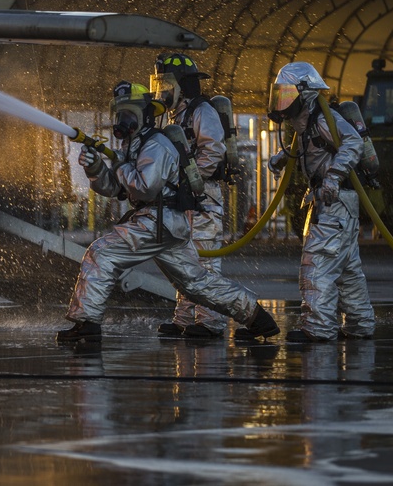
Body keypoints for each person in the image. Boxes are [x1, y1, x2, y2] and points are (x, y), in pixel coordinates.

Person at [55, 81, 279, 343]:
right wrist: (95, 169)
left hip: (157, 221)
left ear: (146, 114)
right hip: (166, 224)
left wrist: (117, 164)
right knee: (195, 283)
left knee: (100, 253)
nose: (123, 120)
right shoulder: (134, 145)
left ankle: (86, 325)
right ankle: (257, 317)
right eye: (120, 114)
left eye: (129, 113)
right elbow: (116, 189)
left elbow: (145, 187)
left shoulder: (156, 144)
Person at [259, 61, 375, 342]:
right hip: (337, 204)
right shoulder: (307, 123)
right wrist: (280, 158)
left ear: (305, 93)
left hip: (333, 201)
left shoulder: (323, 119)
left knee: (316, 265)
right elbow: (304, 151)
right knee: (347, 271)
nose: (281, 101)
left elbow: (353, 143)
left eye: (286, 94)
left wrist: (333, 177)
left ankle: (318, 328)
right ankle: (360, 325)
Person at [149, 53, 228, 339]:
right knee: (185, 260)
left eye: (167, 83)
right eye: (160, 83)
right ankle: (184, 319)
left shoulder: (201, 110)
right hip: (184, 198)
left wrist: (192, 178)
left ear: (182, 85)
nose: (162, 89)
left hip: (203, 196)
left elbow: (214, 150)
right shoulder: (175, 115)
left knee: (205, 263)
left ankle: (209, 322)